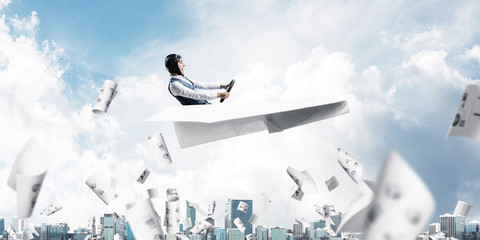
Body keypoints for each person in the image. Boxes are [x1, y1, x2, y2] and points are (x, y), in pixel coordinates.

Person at [165, 54, 230, 105]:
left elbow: (202, 85)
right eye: (181, 62)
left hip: (204, 106)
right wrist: (219, 95)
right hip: (198, 112)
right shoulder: (174, 85)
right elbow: (196, 95)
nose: (184, 65)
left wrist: (222, 86)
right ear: (174, 66)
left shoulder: (183, 78)